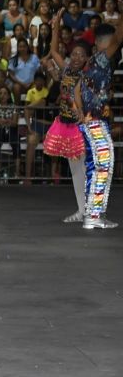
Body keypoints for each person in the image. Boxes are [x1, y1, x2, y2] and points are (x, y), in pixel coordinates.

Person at [74, 18, 122, 229]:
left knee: (95, 167)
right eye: (112, 43)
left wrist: (80, 113)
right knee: (104, 165)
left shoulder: (90, 64)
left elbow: (75, 91)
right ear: (105, 43)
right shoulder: (101, 58)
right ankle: (93, 216)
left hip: (89, 121)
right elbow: (119, 37)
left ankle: (93, 215)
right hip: (95, 122)